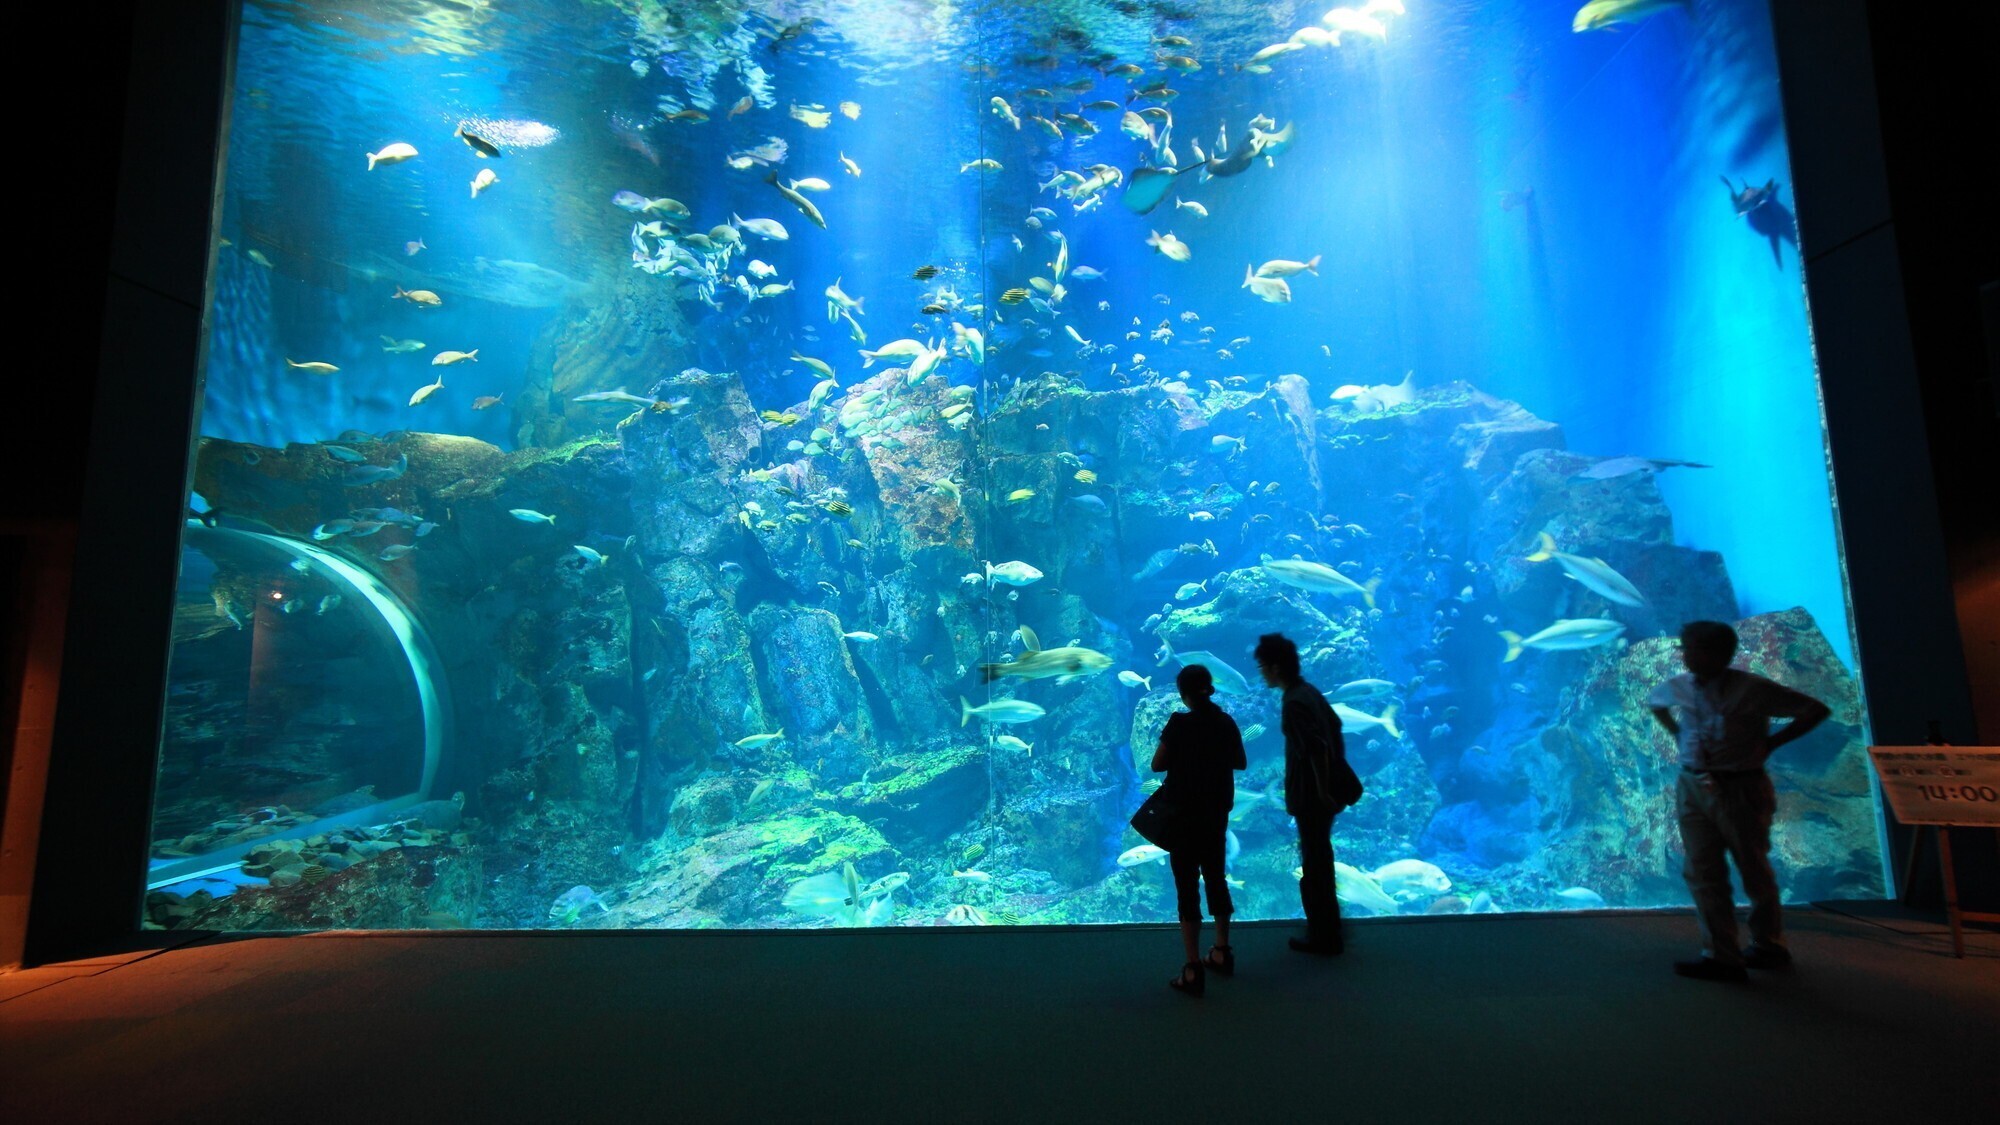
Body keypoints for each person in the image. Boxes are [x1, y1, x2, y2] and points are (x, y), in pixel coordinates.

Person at [1648, 620, 1831, 982]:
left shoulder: (1752, 689)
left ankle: (1769, 945)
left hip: (1741, 785)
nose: (1683, 654)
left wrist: (1772, 743)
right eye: (1683, 647)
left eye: (1690, 648)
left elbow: (1814, 710)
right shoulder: (1679, 685)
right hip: (1692, 784)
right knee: (1701, 870)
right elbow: (1656, 704)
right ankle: (1721, 955)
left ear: (1718, 653)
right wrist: (1678, 736)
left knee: (1752, 866)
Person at [1151, 663, 1246, 997]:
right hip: (1215, 813)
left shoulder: (1179, 724)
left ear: (1183, 693)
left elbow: (1157, 764)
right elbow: (1241, 762)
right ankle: (1221, 951)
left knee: (1187, 886)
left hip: (1183, 815)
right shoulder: (1225, 722)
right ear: (1211, 688)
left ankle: (1192, 968)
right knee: (1217, 878)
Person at [1254, 632, 1348, 955]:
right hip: (1320, 797)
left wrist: (1321, 792)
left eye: (1263, 666)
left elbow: (1317, 748)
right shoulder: (1310, 692)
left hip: (1312, 800)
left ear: (1277, 667)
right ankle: (1330, 931)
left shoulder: (1294, 702)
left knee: (1315, 868)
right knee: (1322, 861)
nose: (1261, 672)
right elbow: (1335, 729)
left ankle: (1323, 937)